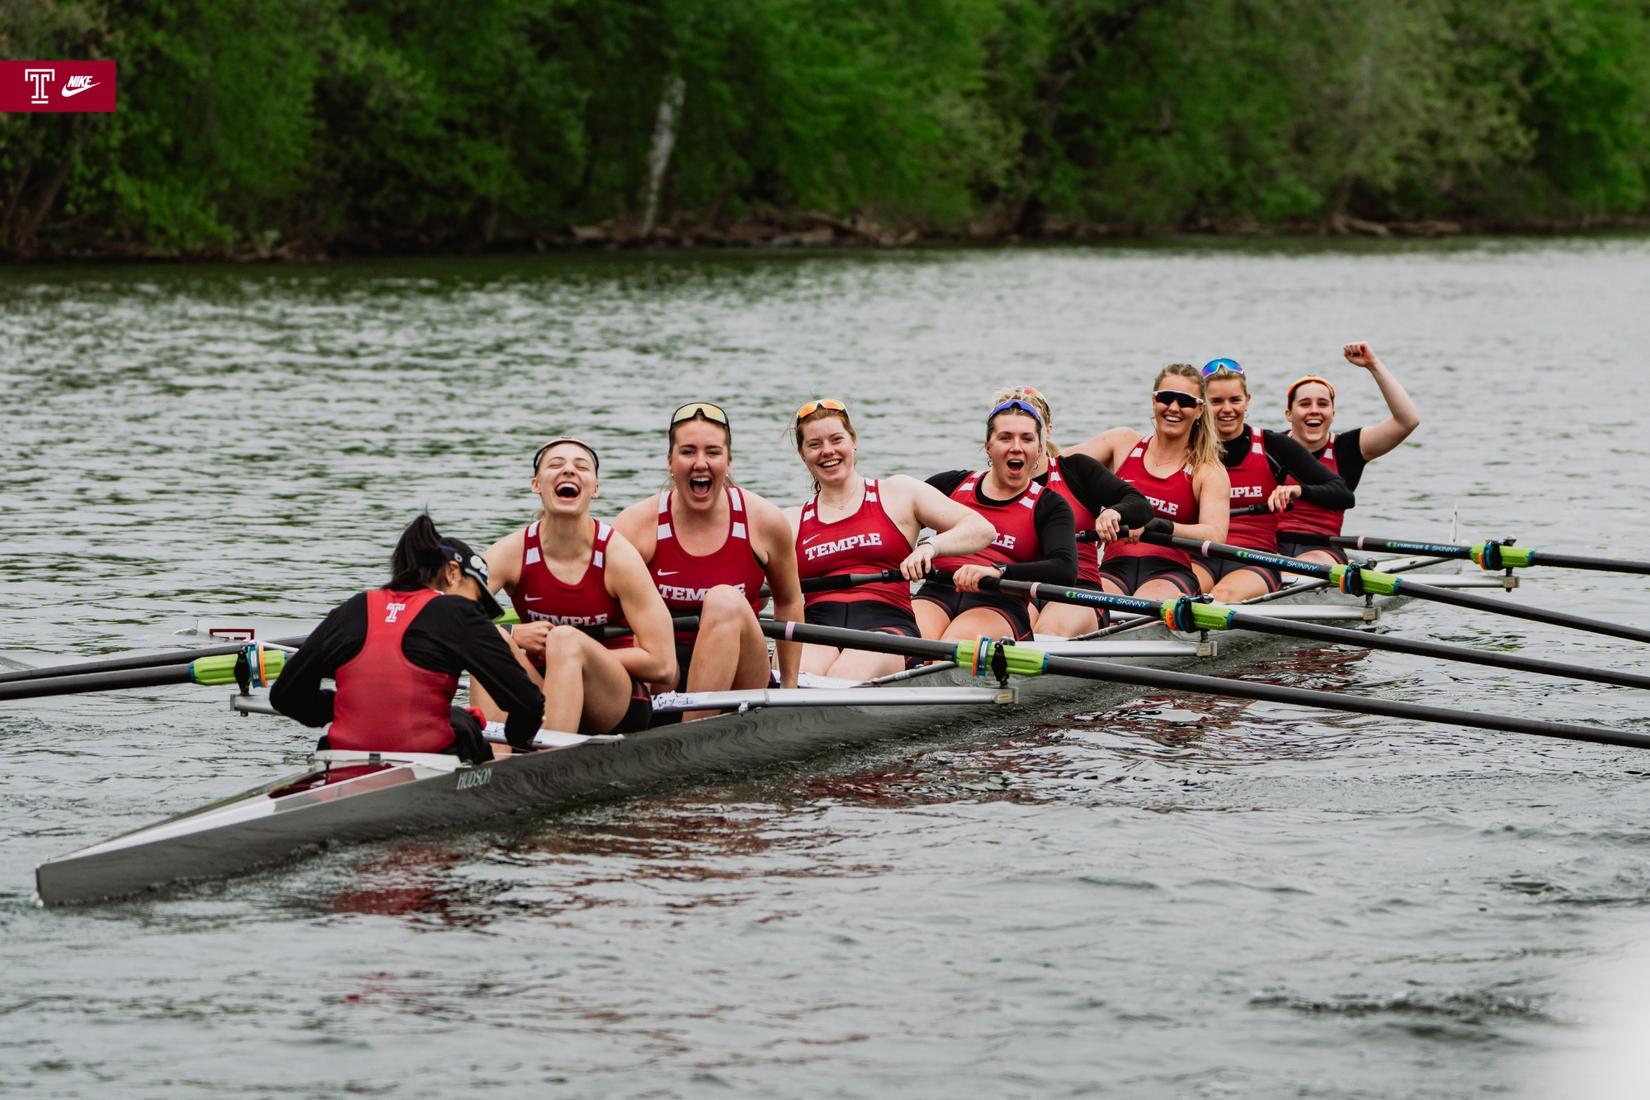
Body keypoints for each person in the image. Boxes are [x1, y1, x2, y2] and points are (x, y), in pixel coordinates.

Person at [270, 515, 544, 759]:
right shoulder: (458, 612)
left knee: (456, 717)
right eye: (477, 598)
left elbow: (285, 696)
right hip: (432, 762)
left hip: (338, 758)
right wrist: (519, 745)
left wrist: (340, 706)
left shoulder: (353, 608)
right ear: (451, 573)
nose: (478, 611)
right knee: (464, 723)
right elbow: (527, 704)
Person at [614, 402, 803, 721]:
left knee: (724, 599)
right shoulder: (634, 525)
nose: (700, 463)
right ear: (670, 462)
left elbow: (789, 601)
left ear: (728, 462)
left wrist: (791, 687)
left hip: (742, 675)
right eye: (688, 452)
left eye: (713, 453)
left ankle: (689, 738)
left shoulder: (765, 521)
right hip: (665, 673)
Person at [476, 437, 677, 736]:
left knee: (565, 640)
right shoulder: (511, 552)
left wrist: (568, 656)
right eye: (556, 465)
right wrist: (513, 633)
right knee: (488, 639)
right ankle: (493, 763)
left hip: (612, 701)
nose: (568, 471)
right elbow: (444, 614)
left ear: (594, 490)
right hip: (539, 688)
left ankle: (548, 766)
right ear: (536, 485)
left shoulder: (618, 557)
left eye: (581, 467)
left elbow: (664, 667)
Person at [785, 398, 995, 679]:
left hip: (887, 626)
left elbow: (982, 528)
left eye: (837, 439)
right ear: (802, 453)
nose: (828, 451)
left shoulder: (898, 493)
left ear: (854, 441)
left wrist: (930, 547)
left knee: (846, 673)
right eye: (815, 444)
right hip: (817, 627)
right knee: (798, 674)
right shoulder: (790, 520)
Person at [991, 387, 1154, 636]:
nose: (1018, 444)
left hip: (1077, 587)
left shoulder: (1076, 470)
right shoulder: (987, 485)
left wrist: (1114, 512)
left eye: (1028, 432)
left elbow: (1140, 505)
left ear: (1046, 431)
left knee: (1046, 631)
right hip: (1016, 586)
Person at [914, 397, 1077, 642]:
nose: (1016, 447)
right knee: (911, 644)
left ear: (1039, 450)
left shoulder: (1049, 505)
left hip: (999, 602)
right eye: (1005, 437)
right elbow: (894, 523)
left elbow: (1065, 569)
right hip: (936, 592)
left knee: (950, 647)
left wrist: (997, 571)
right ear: (988, 446)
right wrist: (916, 553)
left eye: (1027, 438)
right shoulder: (950, 484)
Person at [1193, 357, 1354, 601]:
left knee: (1221, 595)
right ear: (1202, 405)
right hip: (1200, 555)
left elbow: (1343, 494)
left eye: (1235, 400)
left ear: (1247, 401)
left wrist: (1299, 491)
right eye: (1216, 401)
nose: (1227, 409)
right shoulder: (1188, 448)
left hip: (1254, 558)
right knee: (1177, 594)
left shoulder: (1273, 446)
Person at [1069, 364, 1231, 601]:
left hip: (1169, 572)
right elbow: (1055, 466)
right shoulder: (1122, 442)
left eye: (1184, 401)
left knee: (1143, 604)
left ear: (1199, 410)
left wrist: (1160, 525)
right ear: (1154, 401)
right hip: (1114, 567)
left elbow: (1215, 535)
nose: (1173, 408)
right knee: (1081, 604)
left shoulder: (1208, 470)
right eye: (1165, 398)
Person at [1276, 342, 1421, 563]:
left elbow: (1407, 421)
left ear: (1332, 413)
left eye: (1322, 404)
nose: (1314, 410)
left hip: (1322, 550)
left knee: (1305, 564)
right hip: (1269, 546)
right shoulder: (1270, 445)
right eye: (1305, 404)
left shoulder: (1348, 448)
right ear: (1289, 413)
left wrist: (1373, 365)